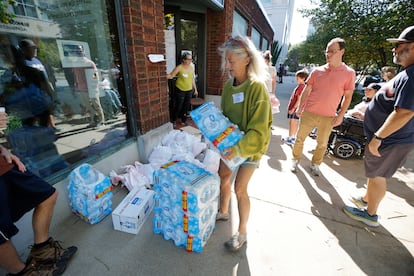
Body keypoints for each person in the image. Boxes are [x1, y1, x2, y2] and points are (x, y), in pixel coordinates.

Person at [343, 26, 414, 227]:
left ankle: (370, 214)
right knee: (374, 173)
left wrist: (379, 137)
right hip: (387, 138)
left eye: (399, 45)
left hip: (391, 140)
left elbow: (405, 112)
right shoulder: (407, 72)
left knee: (378, 175)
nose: (394, 49)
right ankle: (367, 199)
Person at [0, 110, 77, 275]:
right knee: (1, 231)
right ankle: (23, 272)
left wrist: (3, 150)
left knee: (47, 195)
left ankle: (42, 251)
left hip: (3, 164)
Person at [215, 36, 272, 252]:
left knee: (240, 189)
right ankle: (223, 211)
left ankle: (242, 232)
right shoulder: (229, 87)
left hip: (251, 147)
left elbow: (259, 131)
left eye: (231, 61)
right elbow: (225, 118)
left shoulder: (257, 88)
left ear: (247, 59)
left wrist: (238, 149)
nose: (227, 66)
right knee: (223, 176)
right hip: (231, 145)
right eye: (226, 61)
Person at [291, 37, 356, 176]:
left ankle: (315, 164)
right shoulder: (317, 71)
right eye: (327, 51)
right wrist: (300, 107)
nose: (328, 55)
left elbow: (348, 96)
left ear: (342, 52)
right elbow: (306, 90)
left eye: (332, 51)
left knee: (322, 143)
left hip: (328, 116)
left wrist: (341, 115)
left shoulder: (349, 73)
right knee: (299, 138)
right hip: (309, 112)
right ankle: (295, 159)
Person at [18, 39, 61, 131]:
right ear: (24, 50)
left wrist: (50, 88)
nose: (35, 50)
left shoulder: (37, 61)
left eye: (35, 48)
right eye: (32, 48)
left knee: (48, 110)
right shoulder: (23, 63)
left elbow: (44, 77)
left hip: (43, 92)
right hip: (33, 95)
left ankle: (52, 127)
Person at [72, 45, 105, 128]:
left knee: (96, 105)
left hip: (91, 88)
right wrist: (76, 85)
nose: (78, 53)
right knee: (88, 106)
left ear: (83, 51)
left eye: (80, 51)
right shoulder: (75, 64)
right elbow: (76, 76)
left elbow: (95, 75)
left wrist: (94, 85)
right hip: (82, 88)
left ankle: (101, 121)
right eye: (76, 51)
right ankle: (93, 121)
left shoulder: (89, 63)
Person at [167, 52, 198, 127]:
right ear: (184, 60)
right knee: (178, 106)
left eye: (191, 59)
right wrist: (162, 75)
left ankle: (183, 120)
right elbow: (171, 75)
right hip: (180, 90)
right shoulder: (179, 67)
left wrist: (195, 89)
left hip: (189, 90)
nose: (190, 61)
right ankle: (174, 120)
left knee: (186, 106)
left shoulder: (191, 68)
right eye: (188, 59)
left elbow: (192, 79)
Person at [282, 69, 309, 145]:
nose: (296, 79)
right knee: (295, 123)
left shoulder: (301, 87)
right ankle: (292, 136)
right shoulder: (303, 86)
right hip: (297, 109)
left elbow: (299, 99)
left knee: (292, 123)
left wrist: (293, 108)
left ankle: (290, 137)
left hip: (295, 108)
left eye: (298, 78)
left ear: (303, 78)